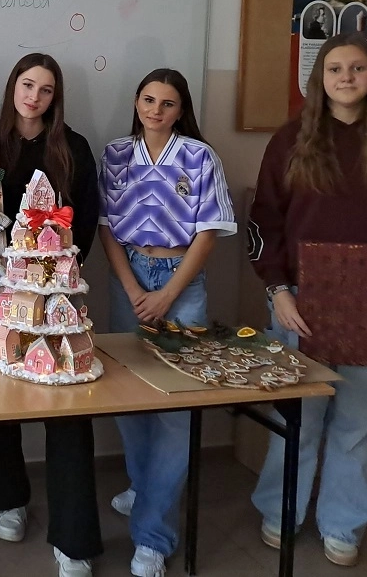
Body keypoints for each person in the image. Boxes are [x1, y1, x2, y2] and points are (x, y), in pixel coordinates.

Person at [248, 34, 367, 567]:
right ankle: (281, 510)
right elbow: (265, 222)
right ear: (320, 78)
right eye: (335, 69)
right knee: (298, 416)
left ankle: (343, 523)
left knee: (357, 424)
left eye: (357, 68)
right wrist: (277, 291)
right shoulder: (290, 141)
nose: (346, 78)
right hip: (299, 303)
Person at [97, 68, 236, 577]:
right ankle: (145, 487)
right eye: (149, 99)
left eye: (168, 103)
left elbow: (208, 232)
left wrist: (168, 294)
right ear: (136, 102)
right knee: (130, 398)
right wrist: (134, 291)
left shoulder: (199, 157)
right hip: (128, 280)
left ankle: (153, 536)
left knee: (177, 404)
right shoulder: (115, 154)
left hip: (181, 284)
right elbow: (107, 227)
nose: (156, 110)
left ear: (182, 110)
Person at [0, 54, 103, 577]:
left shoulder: (73, 147)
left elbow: (86, 218)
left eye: (46, 90)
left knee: (67, 411)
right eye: (27, 85)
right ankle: (8, 499)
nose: (34, 97)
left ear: (56, 97)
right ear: (12, 87)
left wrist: (54, 279)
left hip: (55, 300)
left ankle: (73, 539)